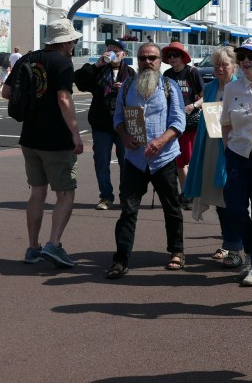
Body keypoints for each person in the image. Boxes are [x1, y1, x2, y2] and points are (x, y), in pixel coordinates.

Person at [3, 18, 84, 268]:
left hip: (30, 136)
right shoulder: (62, 63)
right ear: (66, 42)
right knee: (66, 192)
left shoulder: (28, 58)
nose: (74, 44)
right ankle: (54, 244)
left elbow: (6, 92)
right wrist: (75, 133)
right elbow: (63, 98)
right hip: (56, 138)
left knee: (37, 193)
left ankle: (33, 247)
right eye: (73, 40)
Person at [108, 44, 186, 277]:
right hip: (134, 159)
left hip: (163, 158)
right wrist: (123, 136)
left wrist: (161, 141)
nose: (147, 62)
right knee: (128, 210)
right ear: (137, 60)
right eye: (143, 58)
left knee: (172, 208)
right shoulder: (128, 86)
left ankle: (177, 251)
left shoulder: (169, 86)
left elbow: (178, 120)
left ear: (160, 61)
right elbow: (118, 116)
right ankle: (120, 259)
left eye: (152, 57)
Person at [184, 46, 243, 269]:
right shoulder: (209, 88)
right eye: (217, 64)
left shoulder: (240, 87)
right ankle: (229, 242)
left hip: (233, 149)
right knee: (220, 200)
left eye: (224, 64)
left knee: (233, 200)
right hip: (211, 147)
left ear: (233, 66)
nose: (219, 68)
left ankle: (237, 244)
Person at [221, 39, 252, 286]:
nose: (246, 61)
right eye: (242, 57)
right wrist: (228, 148)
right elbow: (226, 123)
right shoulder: (232, 89)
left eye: (251, 56)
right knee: (235, 208)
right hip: (237, 153)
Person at [74, 39, 134, 211]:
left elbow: (141, 96)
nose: (112, 53)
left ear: (124, 54)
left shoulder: (130, 73)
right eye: (109, 49)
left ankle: (125, 196)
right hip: (101, 124)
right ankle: (106, 196)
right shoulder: (99, 71)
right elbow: (79, 80)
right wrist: (96, 65)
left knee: (126, 162)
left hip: (124, 125)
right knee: (101, 162)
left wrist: (126, 89)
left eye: (117, 50)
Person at [161, 41, 204, 209]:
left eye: (176, 55)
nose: (172, 59)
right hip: (172, 123)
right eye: (170, 55)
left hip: (191, 123)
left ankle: (191, 193)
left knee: (190, 160)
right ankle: (186, 193)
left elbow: (204, 96)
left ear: (183, 57)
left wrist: (192, 106)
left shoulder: (192, 73)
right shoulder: (167, 74)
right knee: (178, 162)